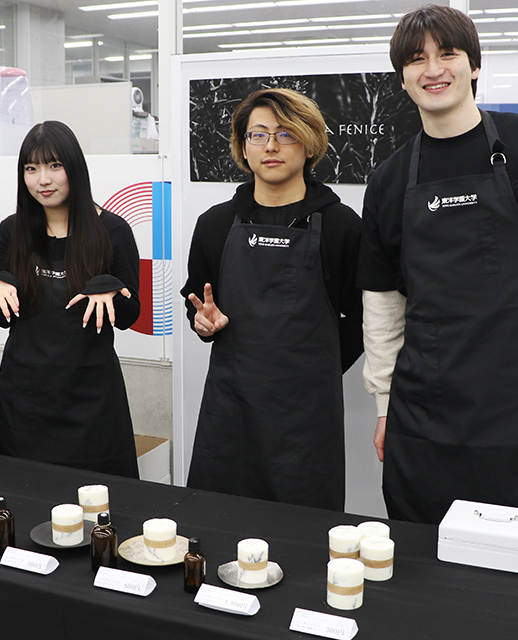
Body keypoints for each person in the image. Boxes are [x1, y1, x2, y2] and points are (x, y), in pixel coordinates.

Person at [358, 5, 518, 543]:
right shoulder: (389, 179)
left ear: (474, 65)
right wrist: (385, 404)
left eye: (447, 54)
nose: (433, 69)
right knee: (431, 558)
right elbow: (383, 305)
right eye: (416, 60)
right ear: (402, 78)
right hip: (430, 411)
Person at [181, 88, 364, 509]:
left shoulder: (342, 227)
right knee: (218, 518)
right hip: (231, 411)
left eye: (285, 134)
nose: (271, 146)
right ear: (243, 147)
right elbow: (199, 306)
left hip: (305, 419)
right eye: (258, 135)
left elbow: (363, 319)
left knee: (301, 530)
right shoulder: (215, 224)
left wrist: (315, 371)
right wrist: (204, 325)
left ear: (310, 143)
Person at [0, 121, 140, 478]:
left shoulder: (112, 231)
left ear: (74, 168)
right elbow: (3, 320)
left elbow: (131, 315)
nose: (43, 180)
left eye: (54, 165)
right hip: (25, 398)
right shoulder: (11, 230)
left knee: (99, 498)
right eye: (31, 168)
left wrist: (111, 290)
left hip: (92, 399)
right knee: (22, 493)